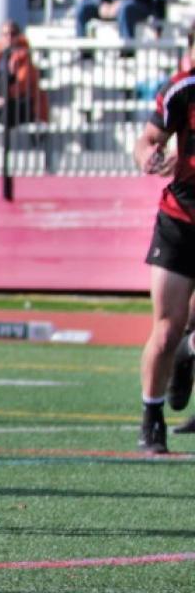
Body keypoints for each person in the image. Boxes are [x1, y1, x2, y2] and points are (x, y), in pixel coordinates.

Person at [132, 27, 195, 454]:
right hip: (180, 220)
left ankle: (189, 353)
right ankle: (150, 416)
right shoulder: (183, 91)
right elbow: (147, 140)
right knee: (167, 327)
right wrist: (148, 156)